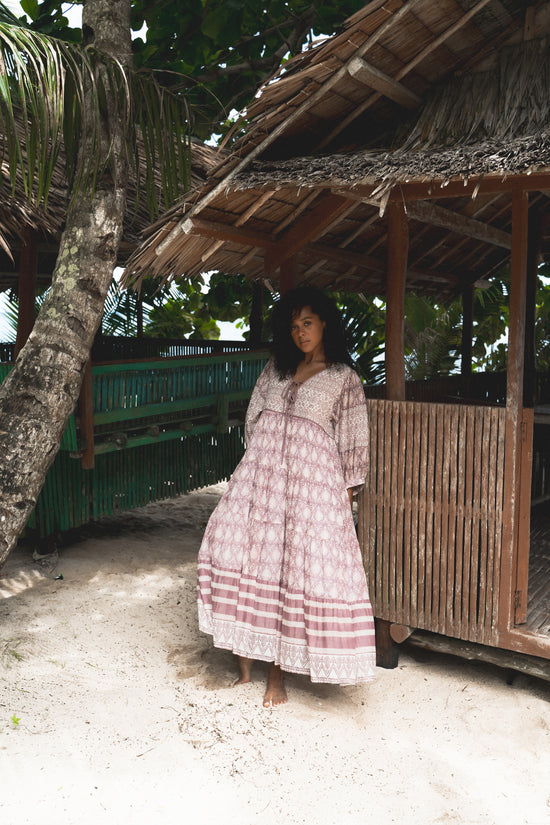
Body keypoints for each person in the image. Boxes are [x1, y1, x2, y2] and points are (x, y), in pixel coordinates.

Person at [197, 286, 376, 707]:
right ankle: (243, 656)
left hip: (311, 492)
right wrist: (259, 463)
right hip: (262, 481)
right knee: (236, 549)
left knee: (291, 573)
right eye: (294, 326)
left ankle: (276, 676)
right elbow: (253, 420)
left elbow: (353, 443)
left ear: (325, 323)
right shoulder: (275, 369)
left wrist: (344, 502)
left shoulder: (344, 378)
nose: (301, 333)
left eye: (307, 323)